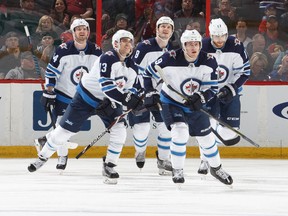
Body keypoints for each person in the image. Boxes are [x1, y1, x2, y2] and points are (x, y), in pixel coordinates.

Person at [28, 30, 143, 185]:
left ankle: (109, 165)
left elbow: (132, 88)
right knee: (64, 132)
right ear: (116, 43)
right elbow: (108, 86)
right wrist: (127, 100)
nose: (128, 44)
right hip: (86, 98)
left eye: (130, 42)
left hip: (110, 101)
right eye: (124, 41)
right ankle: (42, 157)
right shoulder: (107, 58)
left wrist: (134, 99)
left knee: (120, 131)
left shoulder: (132, 66)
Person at [143, 29, 233, 185]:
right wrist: (149, 91)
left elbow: (211, 88)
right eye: (190, 44)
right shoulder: (169, 58)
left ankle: (216, 168)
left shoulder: (209, 60)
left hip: (194, 104)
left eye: (196, 44)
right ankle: (177, 169)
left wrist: (201, 97)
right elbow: (147, 73)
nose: (194, 47)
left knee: (207, 138)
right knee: (180, 132)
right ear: (183, 45)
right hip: (171, 102)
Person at [33, 18, 103, 171]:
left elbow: (103, 72)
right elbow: (52, 72)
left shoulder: (96, 50)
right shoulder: (63, 49)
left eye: (85, 29)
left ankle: (45, 139)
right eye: (79, 29)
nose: (82, 31)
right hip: (64, 94)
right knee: (62, 126)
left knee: (70, 127)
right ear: (73, 32)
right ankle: (62, 155)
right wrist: (49, 91)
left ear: (88, 32)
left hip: (85, 96)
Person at [198, 18, 250, 175]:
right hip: (209, 91)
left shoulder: (236, 45)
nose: (220, 40)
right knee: (208, 125)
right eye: (216, 36)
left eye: (223, 36)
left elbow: (245, 72)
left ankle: (210, 140)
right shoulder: (202, 46)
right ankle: (204, 160)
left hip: (230, 92)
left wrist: (231, 88)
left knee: (230, 133)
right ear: (211, 34)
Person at [128, 16, 174, 175]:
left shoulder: (174, 50)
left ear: (172, 31)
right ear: (156, 29)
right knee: (142, 128)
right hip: (142, 94)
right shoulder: (144, 47)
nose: (165, 29)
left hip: (163, 96)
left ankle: (163, 160)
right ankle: (140, 150)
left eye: (168, 27)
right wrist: (136, 91)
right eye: (162, 26)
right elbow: (131, 70)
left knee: (166, 129)